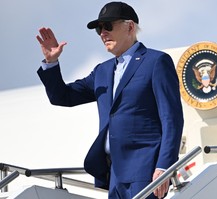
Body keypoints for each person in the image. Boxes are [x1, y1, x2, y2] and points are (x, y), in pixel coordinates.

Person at [36, 2, 183, 199]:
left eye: (108, 26)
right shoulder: (102, 71)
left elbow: (171, 119)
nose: (103, 33)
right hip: (113, 175)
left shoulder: (156, 62)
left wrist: (164, 166)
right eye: (99, 29)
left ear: (130, 27)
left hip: (145, 172)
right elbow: (62, 97)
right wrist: (51, 62)